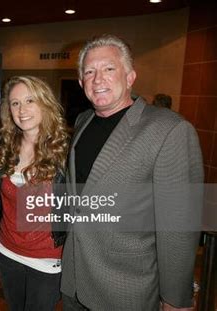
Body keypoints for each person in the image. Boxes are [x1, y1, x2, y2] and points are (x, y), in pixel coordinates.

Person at [61, 34, 203, 310]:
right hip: (74, 279)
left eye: (109, 69)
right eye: (89, 72)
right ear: (81, 83)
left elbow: (179, 225)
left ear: (130, 77)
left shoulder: (168, 130)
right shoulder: (82, 121)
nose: (97, 79)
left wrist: (175, 296)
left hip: (125, 288)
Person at [0, 76, 70, 310]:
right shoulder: (2, 150)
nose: (22, 110)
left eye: (29, 100)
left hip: (47, 259)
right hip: (7, 252)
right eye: (15, 103)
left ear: (45, 103)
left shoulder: (66, 150)